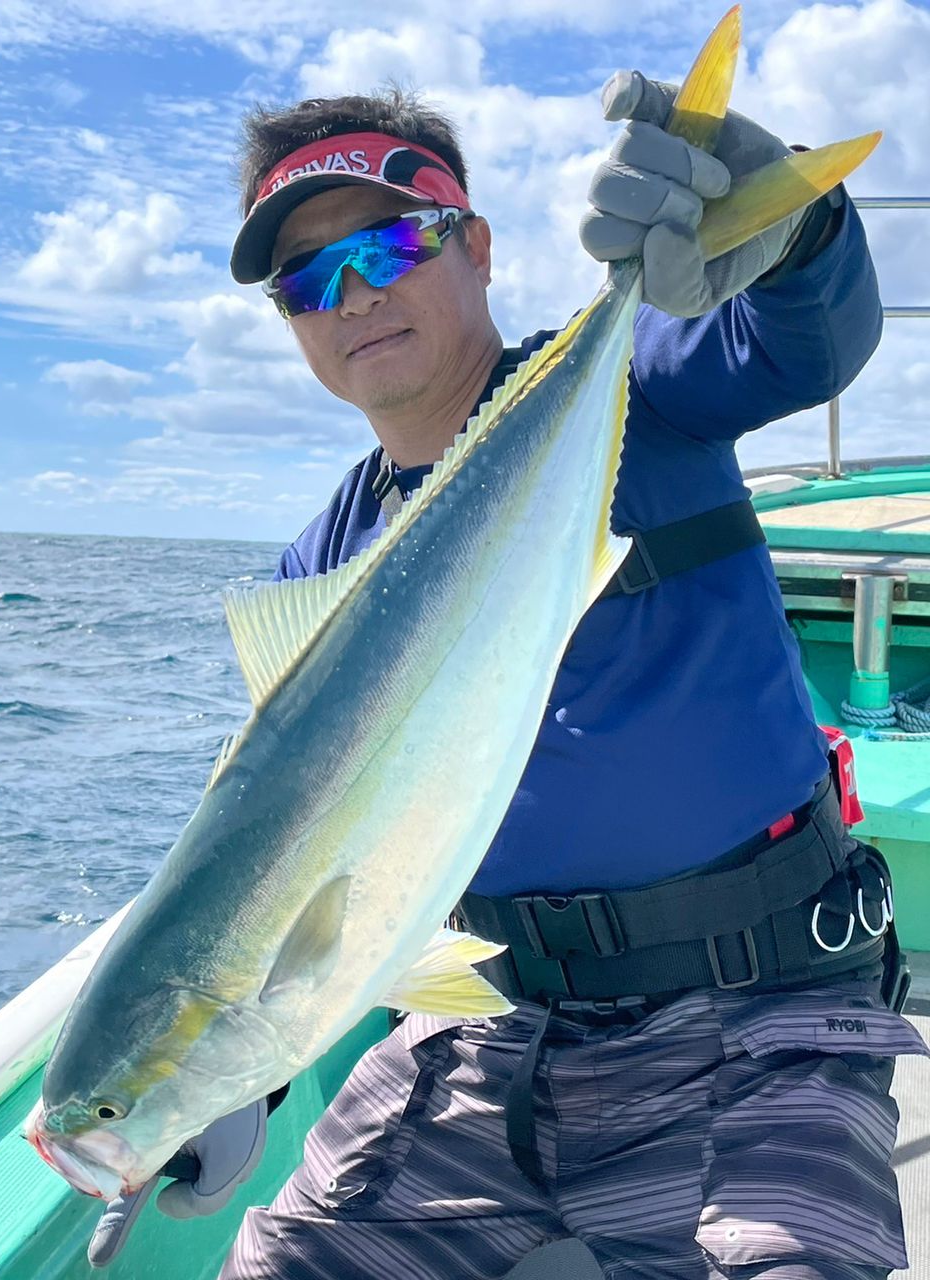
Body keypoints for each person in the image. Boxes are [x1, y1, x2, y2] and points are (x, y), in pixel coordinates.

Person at [90, 74, 929, 1280]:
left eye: (382, 243)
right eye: (307, 282)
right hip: (475, 1034)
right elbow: (289, 854)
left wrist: (784, 223)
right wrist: (236, 1079)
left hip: (759, 1014)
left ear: (474, 245)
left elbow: (804, 335)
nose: (354, 295)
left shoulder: (640, 392)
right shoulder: (323, 571)